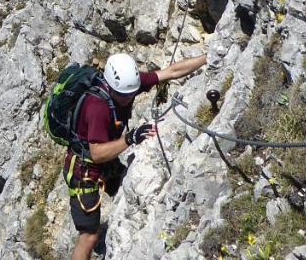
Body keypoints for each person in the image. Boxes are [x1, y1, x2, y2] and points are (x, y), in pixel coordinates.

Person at [67, 52, 206, 260]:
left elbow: (170, 72)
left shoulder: (126, 86)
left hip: (107, 163)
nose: (128, 99)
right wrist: (130, 139)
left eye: (131, 94)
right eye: (123, 95)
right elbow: (96, 154)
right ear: (111, 87)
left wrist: (206, 58)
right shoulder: (97, 108)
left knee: (130, 191)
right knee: (89, 236)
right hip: (84, 171)